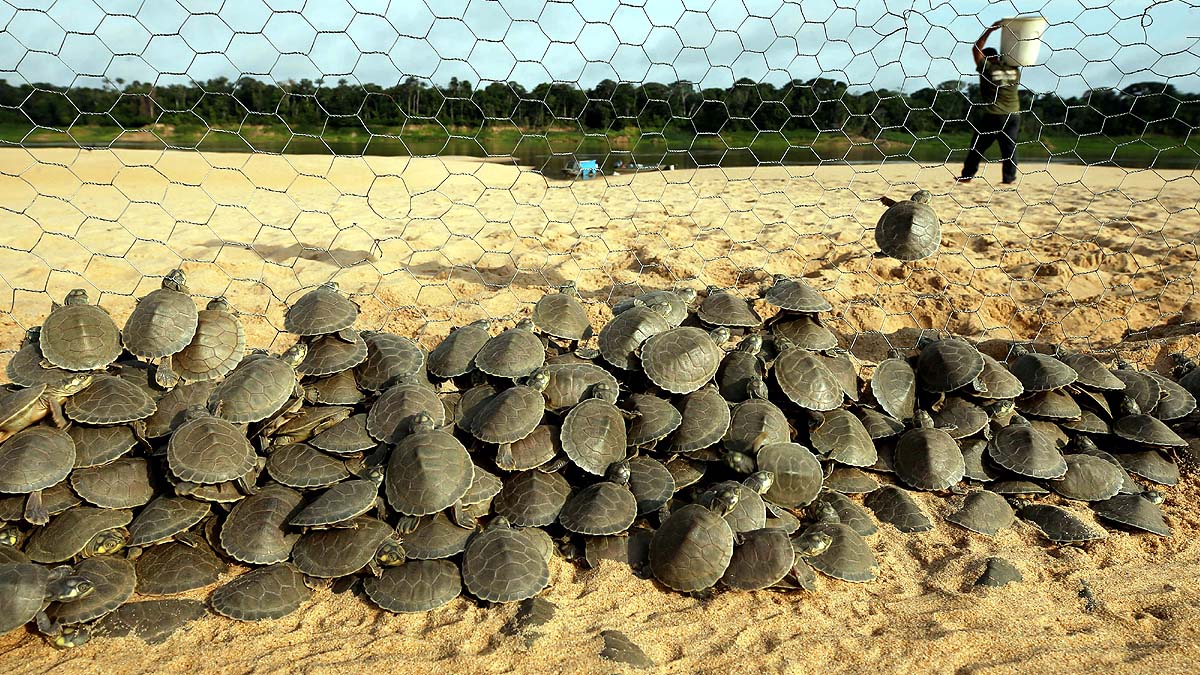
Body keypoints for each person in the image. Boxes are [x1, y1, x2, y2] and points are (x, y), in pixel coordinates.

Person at [958, 20, 1022, 185]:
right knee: (1009, 148)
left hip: (994, 115)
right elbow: (1017, 56)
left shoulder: (988, 70)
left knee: (977, 147)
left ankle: (967, 176)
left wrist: (991, 29)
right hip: (1014, 115)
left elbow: (976, 48)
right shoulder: (1015, 70)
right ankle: (1009, 179)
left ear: (987, 59)